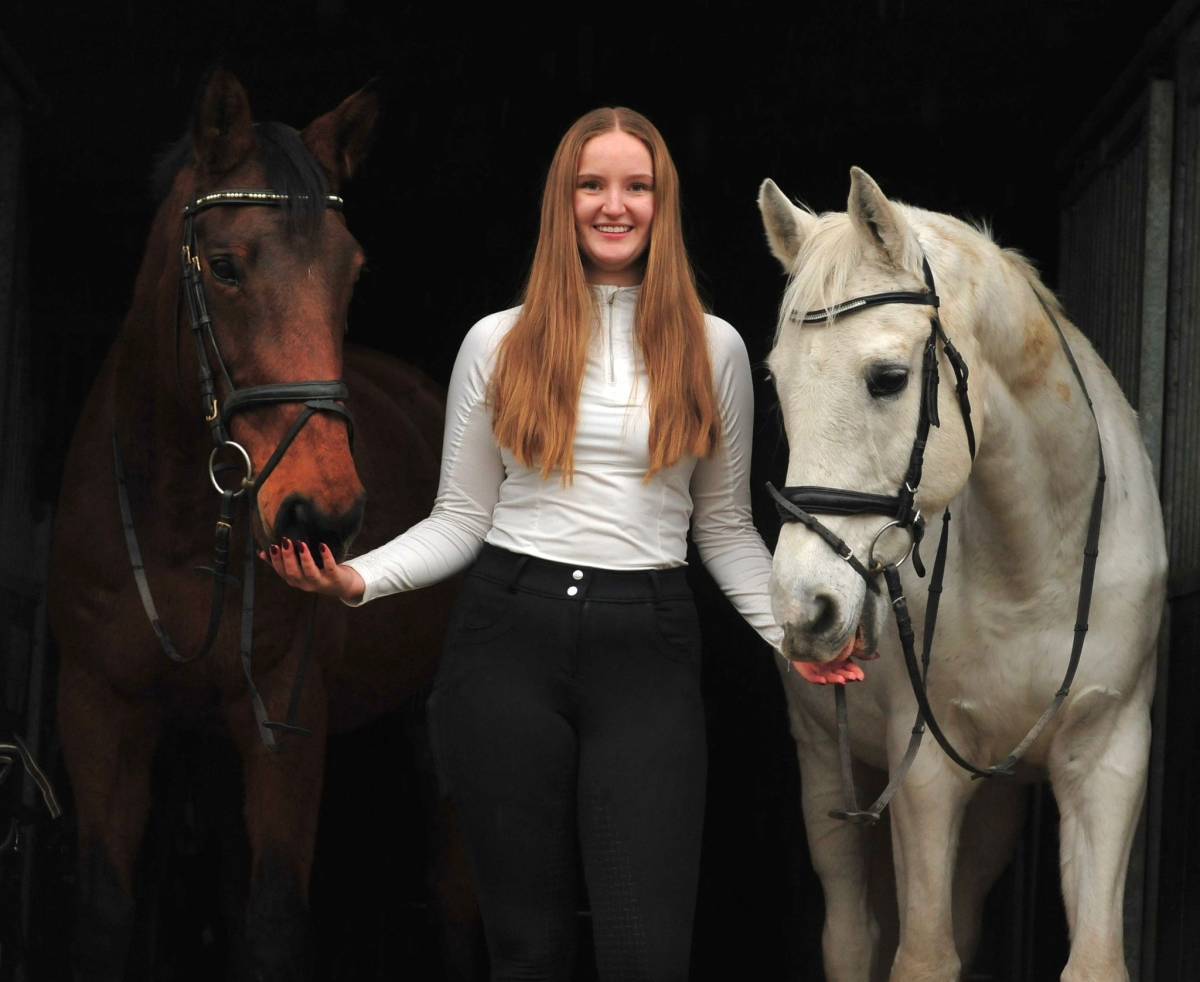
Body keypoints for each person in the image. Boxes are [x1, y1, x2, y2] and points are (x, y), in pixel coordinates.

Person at [261, 106, 861, 981]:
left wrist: (793, 638)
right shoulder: (496, 342)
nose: (613, 205)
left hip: (648, 647)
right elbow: (461, 520)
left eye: (636, 186)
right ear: (562, 201)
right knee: (528, 951)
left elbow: (724, 531)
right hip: (508, 642)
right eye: (591, 185)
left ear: (663, 203)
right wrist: (359, 580)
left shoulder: (715, 346)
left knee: (646, 952)